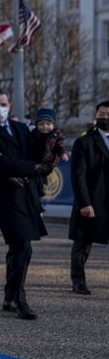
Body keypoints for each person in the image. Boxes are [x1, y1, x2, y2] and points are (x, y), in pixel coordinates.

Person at [0, 88, 53, 320]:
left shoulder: (20, 128)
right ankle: (19, 298)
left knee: (20, 249)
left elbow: (37, 147)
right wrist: (32, 168)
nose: (0, 108)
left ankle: (9, 295)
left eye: (3, 104)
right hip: (6, 196)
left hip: (27, 194)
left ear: (10, 105)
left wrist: (54, 145)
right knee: (22, 246)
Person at [68, 100, 109, 295]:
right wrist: (84, 203)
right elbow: (77, 175)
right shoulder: (84, 142)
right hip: (92, 200)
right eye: (102, 114)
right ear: (96, 116)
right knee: (82, 243)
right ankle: (78, 281)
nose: (106, 118)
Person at [29, 108, 68, 200]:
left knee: (41, 175)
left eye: (48, 124)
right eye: (41, 124)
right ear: (37, 125)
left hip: (48, 161)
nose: (45, 127)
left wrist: (63, 154)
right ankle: (37, 192)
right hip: (35, 159)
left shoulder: (56, 135)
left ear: (53, 125)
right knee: (34, 175)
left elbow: (60, 146)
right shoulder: (34, 134)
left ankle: (40, 190)